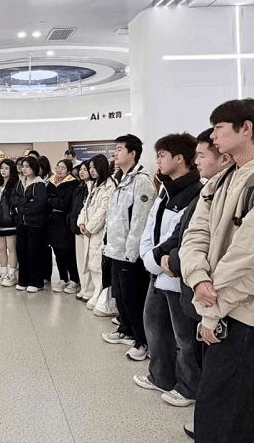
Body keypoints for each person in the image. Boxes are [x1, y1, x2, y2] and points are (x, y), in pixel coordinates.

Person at [181, 98, 254, 442]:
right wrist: (197, 277)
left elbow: (253, 261)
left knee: (229, 410)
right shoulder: (222, 180)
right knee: (225, 410)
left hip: (248, 316)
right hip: (218, 306)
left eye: (219, 128)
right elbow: (195, 234)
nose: (213, 136)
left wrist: (211, 311)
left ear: (246, 129)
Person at [167, 128, 233, 438]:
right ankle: (210, 422)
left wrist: (180, 264)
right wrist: (172, 259)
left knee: (221, 373)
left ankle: (215, 425)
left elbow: (234, 254)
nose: (197, 161)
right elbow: (190, 235)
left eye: (202, 155)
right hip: (196, 286)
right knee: (205, 361)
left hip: (221, 299)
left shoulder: (252, 187)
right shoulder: (210, 190)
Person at [134, 133, 203, 406]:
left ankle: (188, 387)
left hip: (176, 274)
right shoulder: (165, 188)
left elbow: (179, 237)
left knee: (184, 336)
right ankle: (161, 376)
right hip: (157, 269)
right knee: (154, 325)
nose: (158, 161)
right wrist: (149, 257)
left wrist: (157, 259)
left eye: (162, 155)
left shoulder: (196, 192)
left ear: (179, 158)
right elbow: (151, 226)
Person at [101, 134, 156, 361]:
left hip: (129, 254)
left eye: (120, 149)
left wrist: (131, 254)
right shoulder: (119, 179)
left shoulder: (141, 181)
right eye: (115, 149)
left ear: (132, 153)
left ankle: (143, 342)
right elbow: (115, 217)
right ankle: (126, 330)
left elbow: (139, 222)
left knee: (134, 298)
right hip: (115, 249)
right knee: (121, 296)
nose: (115, 153)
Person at [77, 155, 116, 312]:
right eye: (90, 167)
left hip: (99, 232)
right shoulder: (94, 185)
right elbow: (86, 206)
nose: (92, 170)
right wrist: (81, 222)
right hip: (89, 232)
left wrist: (90, 227)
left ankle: (101, 295)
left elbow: (103, 210)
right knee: (92, 264)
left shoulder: (109, 185)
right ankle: (96, 293)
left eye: (94, 167)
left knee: (99, 265)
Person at [10, 156, 49, 293]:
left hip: (35, 224)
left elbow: (38, 205)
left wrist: (20, 208)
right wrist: (26, 200)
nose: (24, 169)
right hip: (21, 223)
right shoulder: (19, 182)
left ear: (34, 168)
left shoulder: (39, 184)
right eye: (23, 166)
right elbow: (13, 198)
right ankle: (23, 280)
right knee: (22, 252)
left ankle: (36, 282)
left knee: (34, 253)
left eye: (27, 166)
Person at [46, 159, 80, 293]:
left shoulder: (72, 184)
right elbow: (46, 201)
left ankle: (74, 280)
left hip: (65, 223)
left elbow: (66, 203)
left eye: (63, 168)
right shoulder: (51, 183)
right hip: (53, 222)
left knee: (68, 252)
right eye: (58, 167)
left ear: (69, 171)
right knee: (57, 252)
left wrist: (53, 201)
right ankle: (63, 278)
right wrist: (55, 201)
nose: (59, 170)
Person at [0, 159, 19, 286]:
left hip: (10, 222)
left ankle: (12, 273)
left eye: (6, 168)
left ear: (11, 170)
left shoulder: (16, 185)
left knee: (11, 248)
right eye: (2, 168)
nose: (3, 171)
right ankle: (3, 271)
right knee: (1, 248)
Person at [68, 160, 91, 300]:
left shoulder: (93, 188)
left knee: (89, 262)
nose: (82, 172)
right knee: (80, 260)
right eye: (81, 169)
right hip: (77, 228)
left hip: (89, 230)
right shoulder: (79, 187)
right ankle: (83, 287)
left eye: (85, 169)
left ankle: (89, 289)